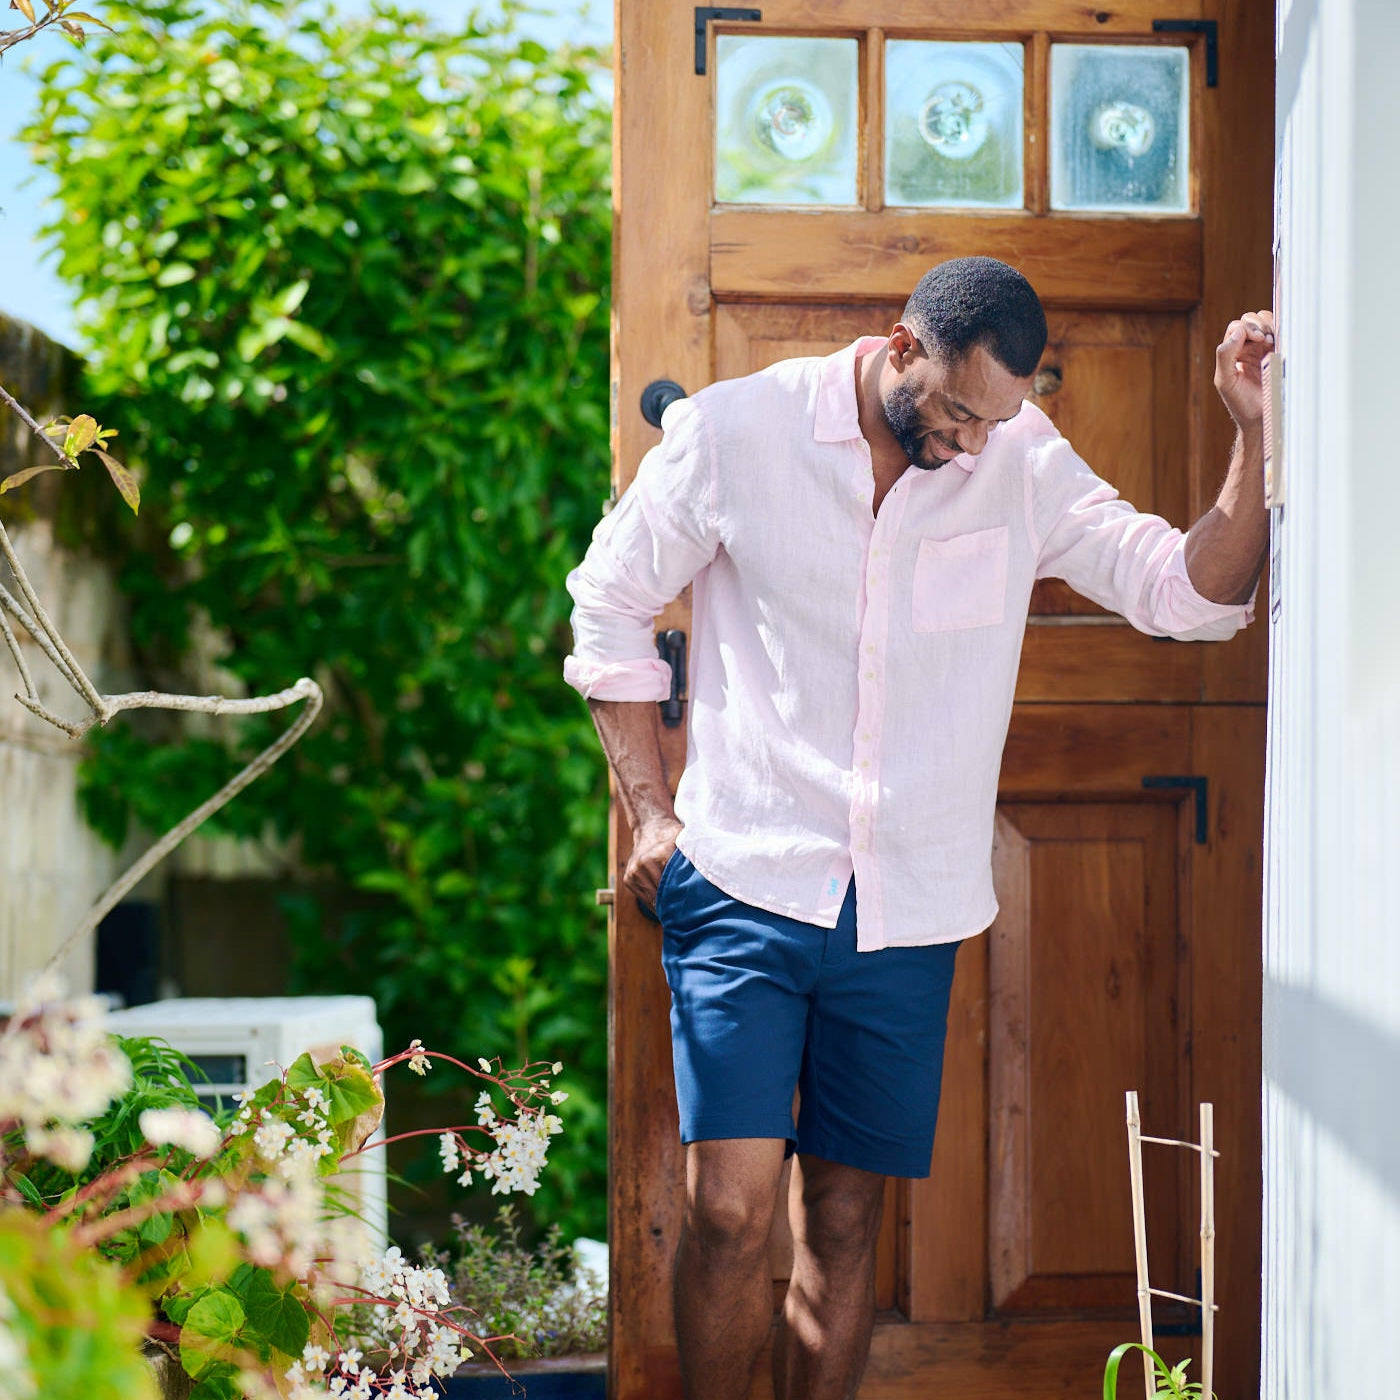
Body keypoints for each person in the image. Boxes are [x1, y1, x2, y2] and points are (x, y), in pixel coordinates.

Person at [563, 256, 1272, 1400]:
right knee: (730, 1207)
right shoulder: (738, 432)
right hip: (744, 875)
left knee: (843, 1223)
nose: (968, 444)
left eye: (995, 418)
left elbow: (1184, 595)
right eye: (953, 411)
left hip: (905, 908)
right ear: (901, 347)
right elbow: (607, 600)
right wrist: (648, 814)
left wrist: (1250, 436)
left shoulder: (1018, 456)